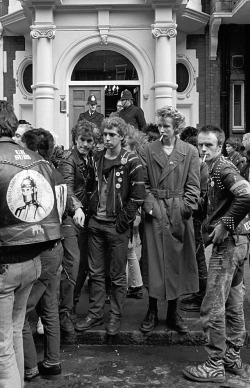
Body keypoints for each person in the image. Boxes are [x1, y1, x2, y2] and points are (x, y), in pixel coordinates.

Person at [0, 101, 61, 388]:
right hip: (33, 259)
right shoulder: (39, 160)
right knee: (13, 330)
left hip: (5, 263)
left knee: (2, 345)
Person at [183, 125, 250, 383]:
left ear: (220, 146)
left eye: (209, 145)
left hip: (230, 245)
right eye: (200, 144)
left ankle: (214, 364)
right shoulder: (214, 167)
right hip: (240, 244)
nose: (203, 149)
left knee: (213, 306)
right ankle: (232, 356)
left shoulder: (223, 168)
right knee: (234, 303)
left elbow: (246, 195)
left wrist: (225, 224)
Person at [75, 117, 145, 336]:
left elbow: (138, 197)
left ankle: (115, 315)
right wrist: (90, 210)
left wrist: (122, 221)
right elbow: (88, 187)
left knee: (116, 275)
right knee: (95, 273)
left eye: (111, 134)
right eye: (104, 134)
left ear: (121, 136)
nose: (106, 138)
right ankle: (95, 315)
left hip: (116, 225)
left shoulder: (132, 161)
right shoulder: (96, 158)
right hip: (96, 222)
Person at [140, 106, 200, 334]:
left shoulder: (190, 152)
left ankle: (174, 312)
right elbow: (142, 184)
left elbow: (194, 185)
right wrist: (152, 208)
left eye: (168, 126)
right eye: (161, 126)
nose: (163, 130)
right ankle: (152, 309)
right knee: (153, 262)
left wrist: (184, 208)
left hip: (178, 212)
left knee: (177, 262)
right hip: (155, 210)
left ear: (177, 128)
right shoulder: (147, 150)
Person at [21, 128, 67, 382]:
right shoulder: (57, 173)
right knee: (49, 309)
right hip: (56, 248)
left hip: (40, 250)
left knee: (24, 312)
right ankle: (52, 361)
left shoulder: (34, 176)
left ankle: (30, 367)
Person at [58, 119, 96, 333]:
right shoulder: (68, 159)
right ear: (75, 139)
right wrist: (78, 208)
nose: (85, 144)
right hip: (71, 217)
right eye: (82, 140)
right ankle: (63, 311)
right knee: (72, 263)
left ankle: (69, 306)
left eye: (89, 140)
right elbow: (67, 188)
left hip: (86, 217)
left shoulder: (89, 157)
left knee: (81, 264)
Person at [179, 127, 208, 312]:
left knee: (198, 255)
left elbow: (201, 195)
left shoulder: (200, 165)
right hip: (191, 215)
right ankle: (198, 291)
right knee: (194, 254)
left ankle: (202, 296)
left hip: (196, 217)